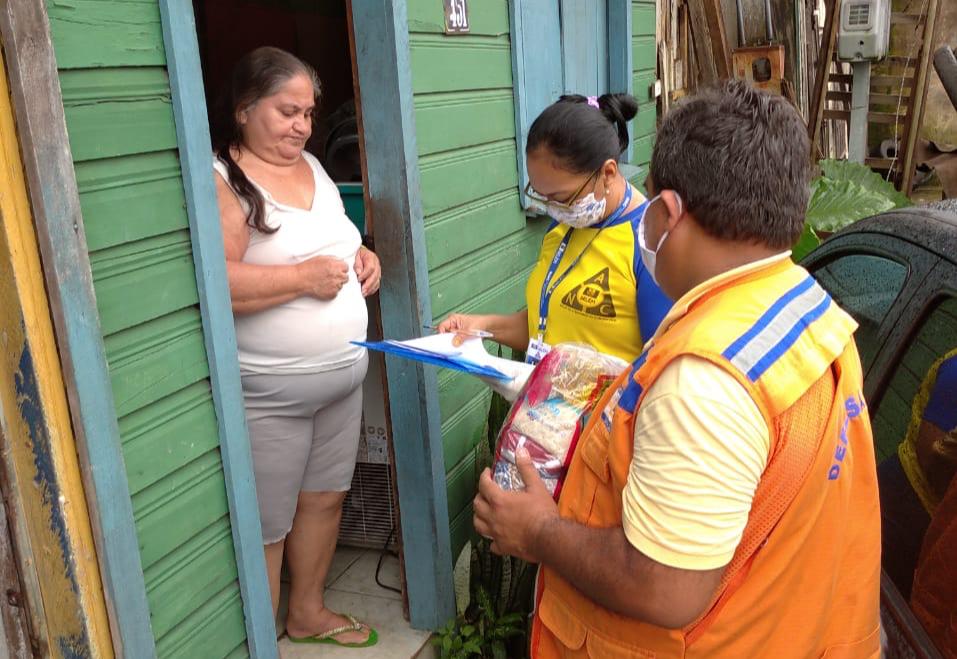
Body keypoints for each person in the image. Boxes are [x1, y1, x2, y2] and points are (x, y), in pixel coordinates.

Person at [474, 80, 882, 658]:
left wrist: (536, 530)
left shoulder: (701, 380)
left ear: (666, 214)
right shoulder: (804, 306)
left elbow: (666, 587)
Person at [212, 47, 380, 648]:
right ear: (244, 110)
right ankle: (259, 634)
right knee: (268, 522)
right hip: (270, 391)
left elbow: (337, 240)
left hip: (341, 379)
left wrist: (365, 258)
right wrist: (302, 280)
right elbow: (218, 282)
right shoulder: (225, 180)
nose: (302, 127)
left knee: (325, 499)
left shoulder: (312, 165)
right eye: (287, 112)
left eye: (308, 113)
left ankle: (306, 612)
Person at [438, 94, 671, 369]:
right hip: (545, 408)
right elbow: (547, 324)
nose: (552, 209)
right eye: (540, 195)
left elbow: (660, 367)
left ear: (607, 173)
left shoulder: (649, 244)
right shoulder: (564, 226)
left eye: (561, 197)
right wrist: (481, 326)